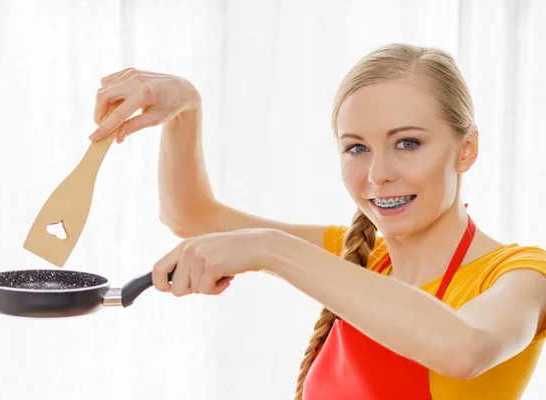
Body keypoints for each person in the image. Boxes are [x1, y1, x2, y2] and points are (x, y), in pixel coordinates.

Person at [89, 44, 546, 399]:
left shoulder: (521, 275)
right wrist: (186, 109)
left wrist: (271, 248)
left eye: (407, 143)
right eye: (356, 148)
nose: (378, 174)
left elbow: (463, 349)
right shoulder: (360, 257)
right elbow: (193, 216)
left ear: (466, 149)